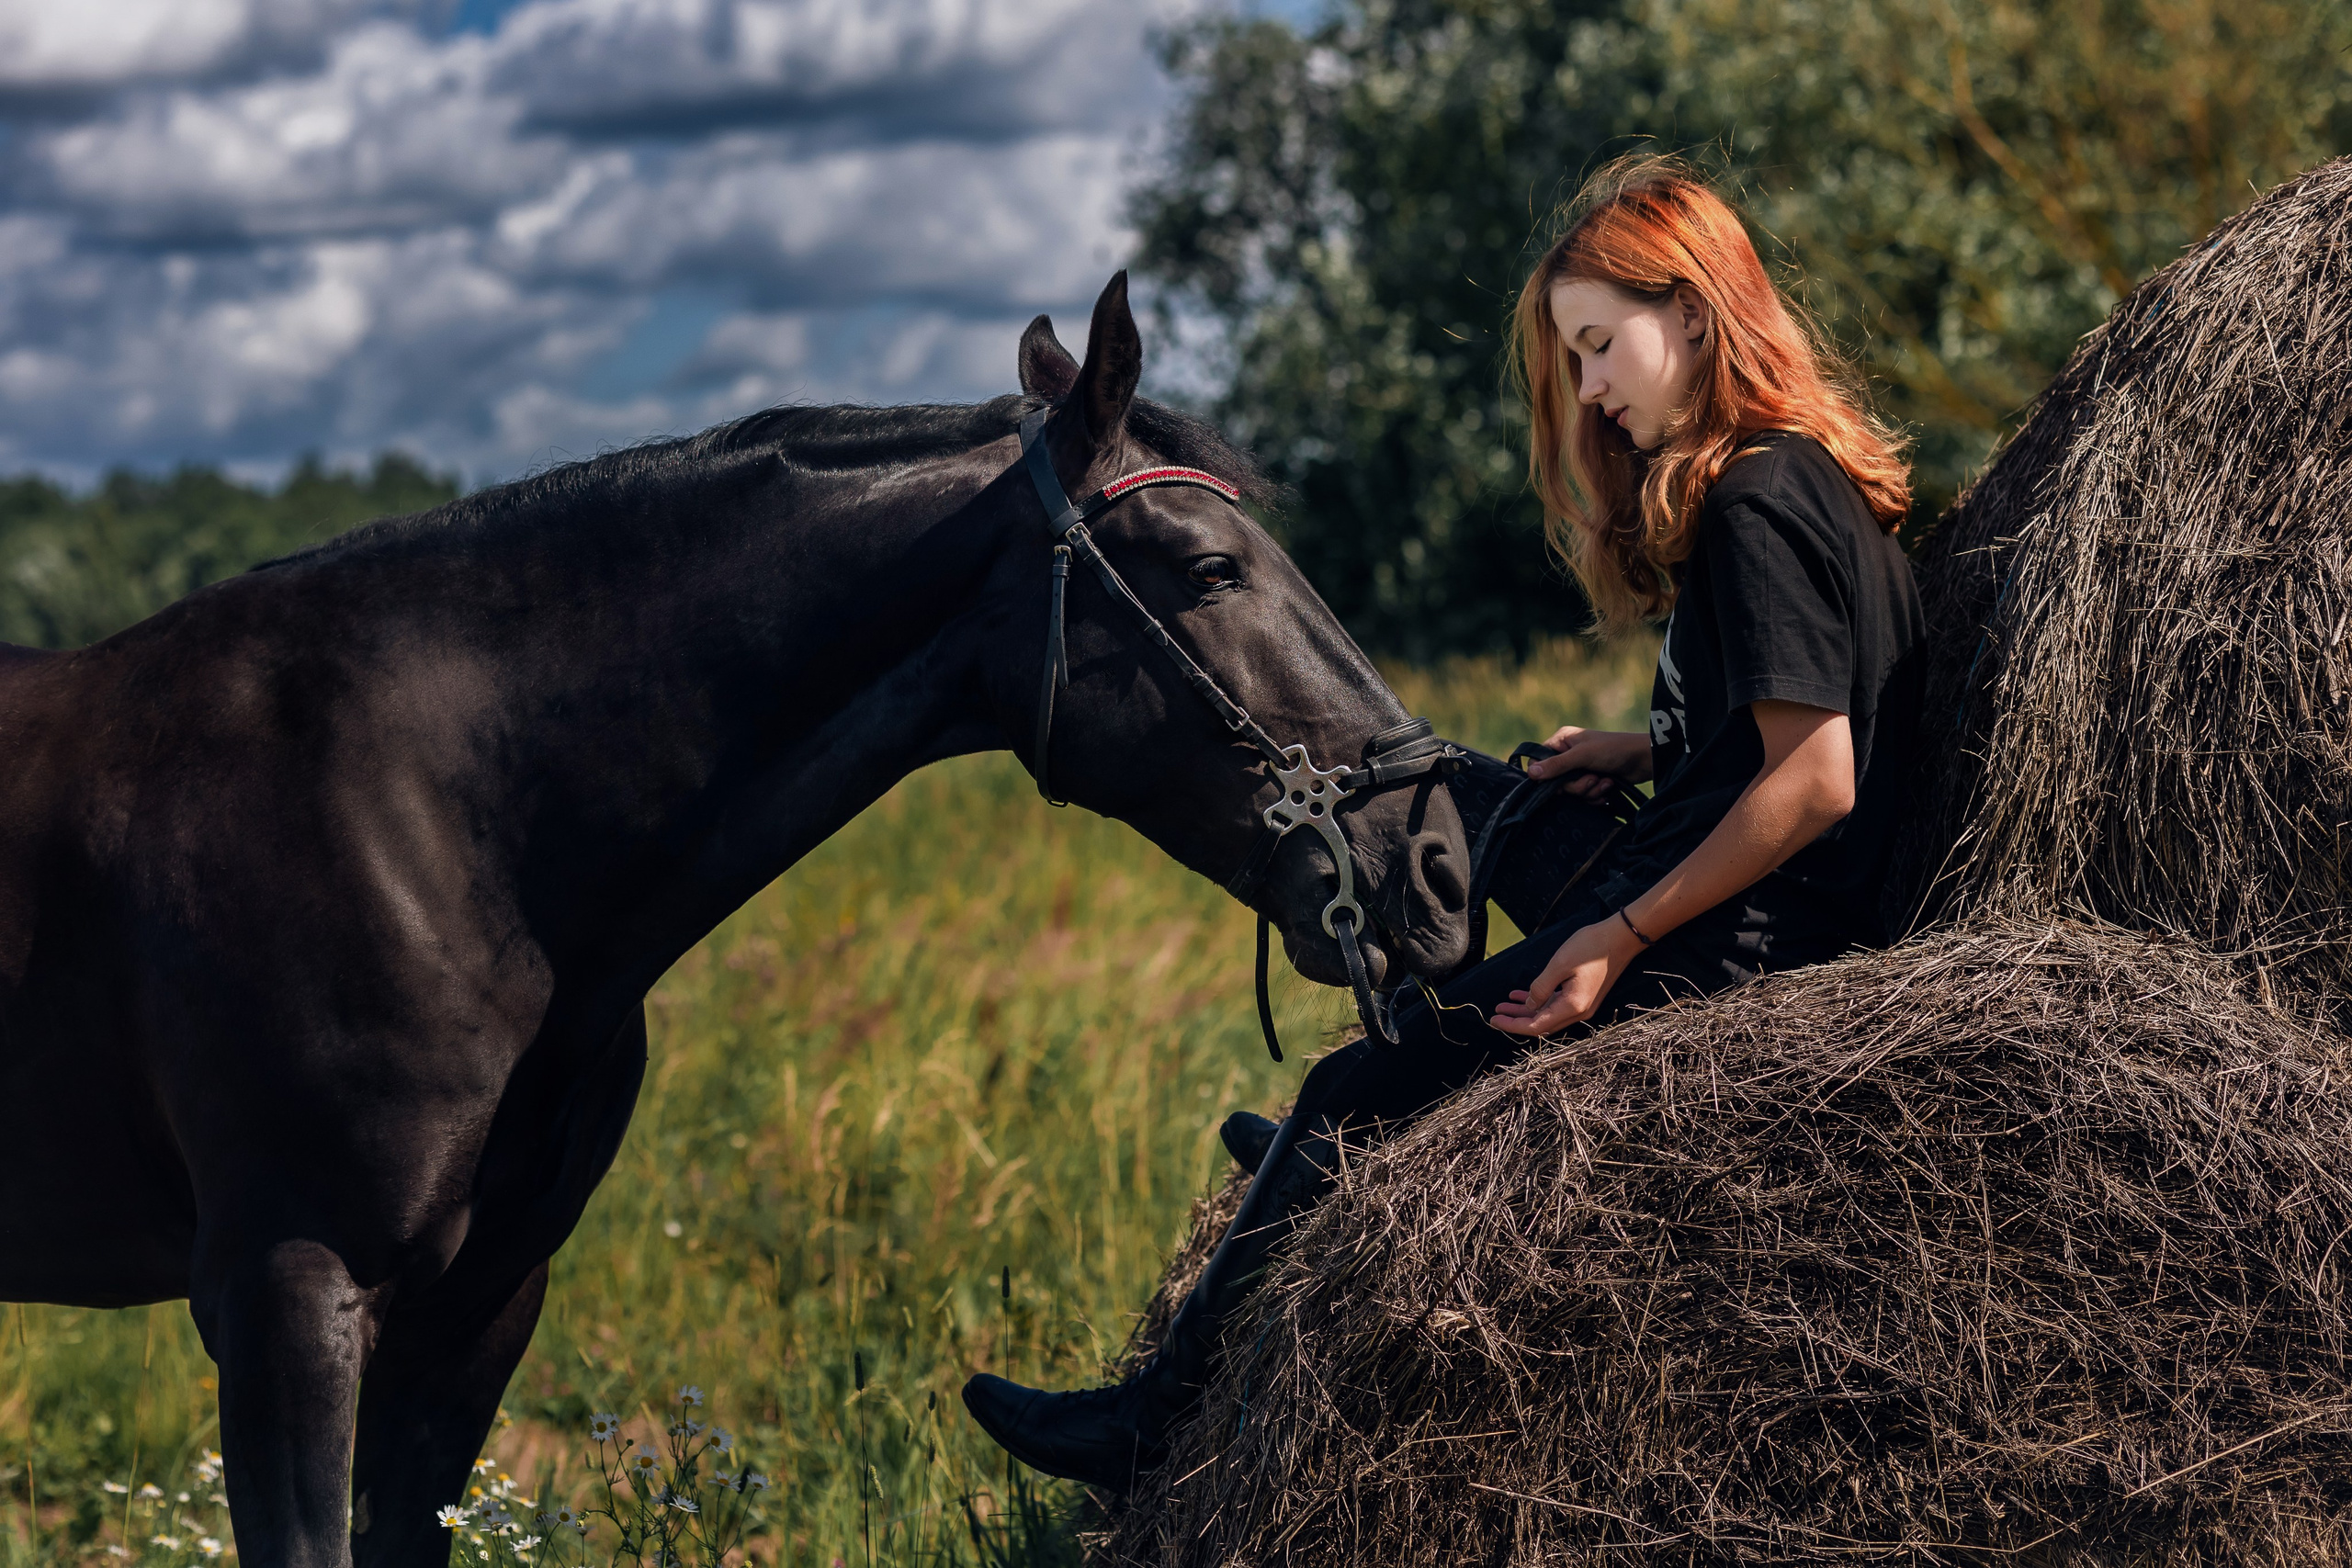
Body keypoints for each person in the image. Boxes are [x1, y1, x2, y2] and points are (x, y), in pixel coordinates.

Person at [962, 155, 1924, 1490]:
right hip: (1735, 888)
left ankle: (1150, 1417)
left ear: (1696, 316)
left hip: (1740, 945)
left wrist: (1616, 941)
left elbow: (1820, 777)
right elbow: (1823, 706)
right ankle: (1366, 1130)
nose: (1589, 389)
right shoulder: (1798, 477)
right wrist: (1642, 745)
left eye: (1600, 346)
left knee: (1345, 1083)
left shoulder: (1755, 501)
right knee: (1457, 791)